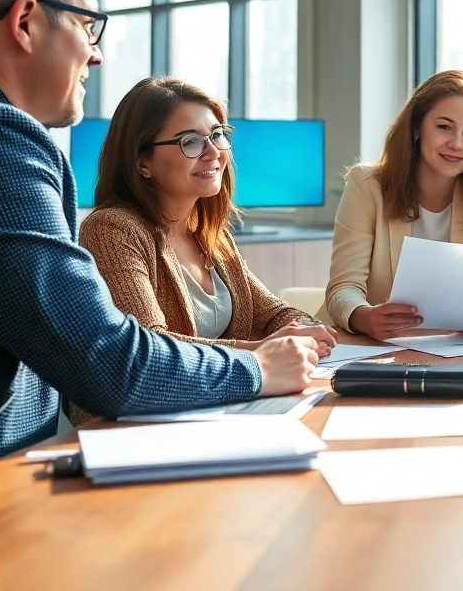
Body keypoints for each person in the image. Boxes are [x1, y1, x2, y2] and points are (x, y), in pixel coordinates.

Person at [0, 0, 317, 505]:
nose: (96, 54)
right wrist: (259, 368)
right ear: (25, 20)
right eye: (88, 25)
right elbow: (107, 363)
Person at [75, 78, 338, 421]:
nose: (214, 152)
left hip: (218, 410)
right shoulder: (111, 230)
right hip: (133, 427)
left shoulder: (211, 235)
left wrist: (307, 331)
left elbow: (270, 314)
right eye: (191, 142)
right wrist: (258, 354)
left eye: (217, 135)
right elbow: (148, 348)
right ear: (143, 163)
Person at [326, 70, 463, 339]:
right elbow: (343, 287)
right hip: (369, 347)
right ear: (416, 127)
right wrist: (365, 317)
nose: (457, 144)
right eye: (444, 127)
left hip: (450, 347)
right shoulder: (367, 185)